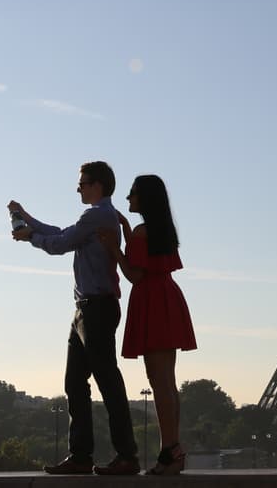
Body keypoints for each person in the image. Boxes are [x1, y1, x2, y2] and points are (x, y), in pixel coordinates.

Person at [9, 161, 140, 476]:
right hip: (88, 307)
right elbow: (64, 234)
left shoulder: (96, 215)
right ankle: (86, 455)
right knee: (79, 382)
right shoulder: (99, 215)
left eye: (82, 183)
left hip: (94, 307)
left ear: (97, 185)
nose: (78, 188)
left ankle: (120, 455)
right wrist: (28, 220)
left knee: (104, 382)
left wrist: (30, 236)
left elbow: (60, 243)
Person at [98, 174, 196, 476]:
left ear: (145, 198)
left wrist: (113, 247)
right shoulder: (160, 229)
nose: (128, 199)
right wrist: (128, 230)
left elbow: (135, 274)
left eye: (133, 194)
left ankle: (170, 452)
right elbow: (147, 259)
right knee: (168, 382)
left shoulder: (143, 232)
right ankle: (173, 449)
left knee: (158, 382)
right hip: (168, 297)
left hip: (151, 302)